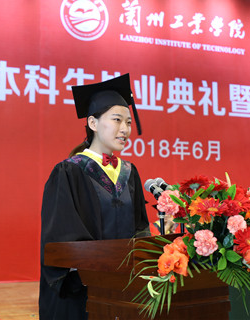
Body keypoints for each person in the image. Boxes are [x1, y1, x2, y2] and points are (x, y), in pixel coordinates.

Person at [39, 74, 150, 320]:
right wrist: (96, 270)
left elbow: (140, 228)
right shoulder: (69, 171)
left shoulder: (130, 173)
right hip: (83, 291)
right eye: (117, 120)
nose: (125, 129)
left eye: (128, 122)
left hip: (123, 287)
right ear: (93, 123)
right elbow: (62, 235)